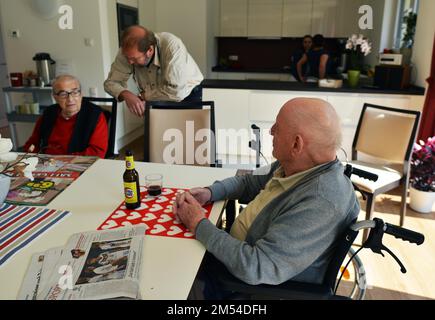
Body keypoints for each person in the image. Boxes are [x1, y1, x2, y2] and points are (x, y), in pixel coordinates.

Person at [173, 98, 360, 299]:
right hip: (233, 257)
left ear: (296, 144)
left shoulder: (320, 201)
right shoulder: (294, 165)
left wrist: (198, 223)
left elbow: (257, 267)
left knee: (170, 276)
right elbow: (249, 183)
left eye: (277, 128)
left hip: (243, 287)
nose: (270, 131)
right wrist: (210, 192)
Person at [104, 25, 204, 117]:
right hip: (154, 99)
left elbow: (177, 92)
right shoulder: (126, 53)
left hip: (187, 95)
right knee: (156, 135)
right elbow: (110, 83)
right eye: (127, 57)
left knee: (188, 135)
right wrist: (126, 94)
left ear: (150, 51)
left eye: (134, 59)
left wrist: (144, 96)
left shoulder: (172, 46)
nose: (129, 62)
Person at [24, 75, 108, 158]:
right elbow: (32, 144)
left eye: (75, 92)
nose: (70, 99)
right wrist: (37, 159)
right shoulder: (49, 113)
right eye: (63, 94)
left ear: (81, 94)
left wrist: (61, 160)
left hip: (77, 166)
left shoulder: (95, 115)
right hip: (45, 163)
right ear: (55, 97)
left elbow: (97, 153)